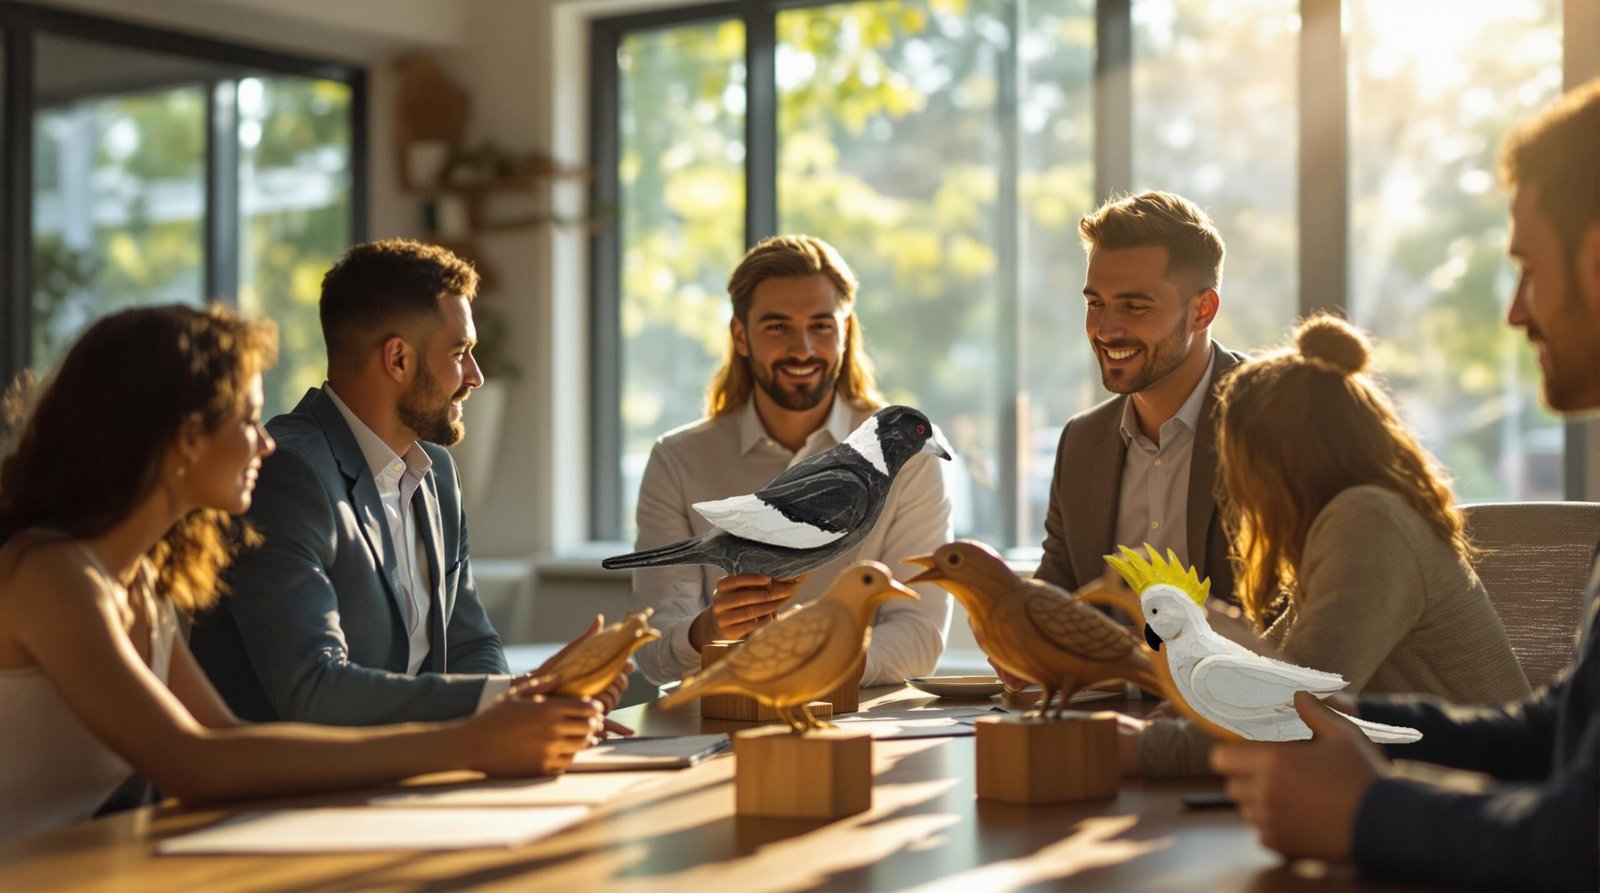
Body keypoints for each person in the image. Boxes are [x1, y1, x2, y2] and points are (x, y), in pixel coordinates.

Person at [0, 305, 601, 842]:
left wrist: (489, 728)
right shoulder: (52, 575)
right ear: (185, 439)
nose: (265, 443)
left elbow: (227, 737)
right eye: (247, 419)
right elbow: (190, 763)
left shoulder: (140, 581)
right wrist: (470, 741)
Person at [1211, 79, 1600, 889]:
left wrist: (1365, 813)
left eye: (1527, 269)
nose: (1516, 313)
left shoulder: (1366, 522)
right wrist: (1345, 719)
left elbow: (1581, 836)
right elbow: (1555, 728)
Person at [190, 240, 627, 726]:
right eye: (460, 352)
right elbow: (312, 688)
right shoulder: (288, 474)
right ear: (397, 359)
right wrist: (517, 695)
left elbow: (470, 645)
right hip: (299, 788)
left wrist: (531, 709)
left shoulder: (437, 474)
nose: (476, 376)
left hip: (419, 773)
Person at [1124, 313, 1530, 778]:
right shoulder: (1352, 522)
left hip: (1480, 811)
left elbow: (1293, 712)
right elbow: (1273, 670)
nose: (1238, 489)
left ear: (1275, 461)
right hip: (1427, 795)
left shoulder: (1369, 524)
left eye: (1238, 463)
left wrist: (1140, 749)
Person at [628, 234, 952, 687]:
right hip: (721, 724)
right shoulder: (677, 460)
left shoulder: (911, 462)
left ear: (846, 331)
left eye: (821, 326)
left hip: (857, 726)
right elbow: (657, 653)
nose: (802, 349)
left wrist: (812, 657)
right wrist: (711, 629)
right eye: (778, 327)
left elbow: (920, 638)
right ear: (740, 336)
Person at [1036, 191, 1244, 601]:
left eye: (1133, 306)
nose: (1105, 329)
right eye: (1096, 304)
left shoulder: (1275, 423)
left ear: (1203, 310)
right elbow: (1052, 598)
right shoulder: (1081, 442)